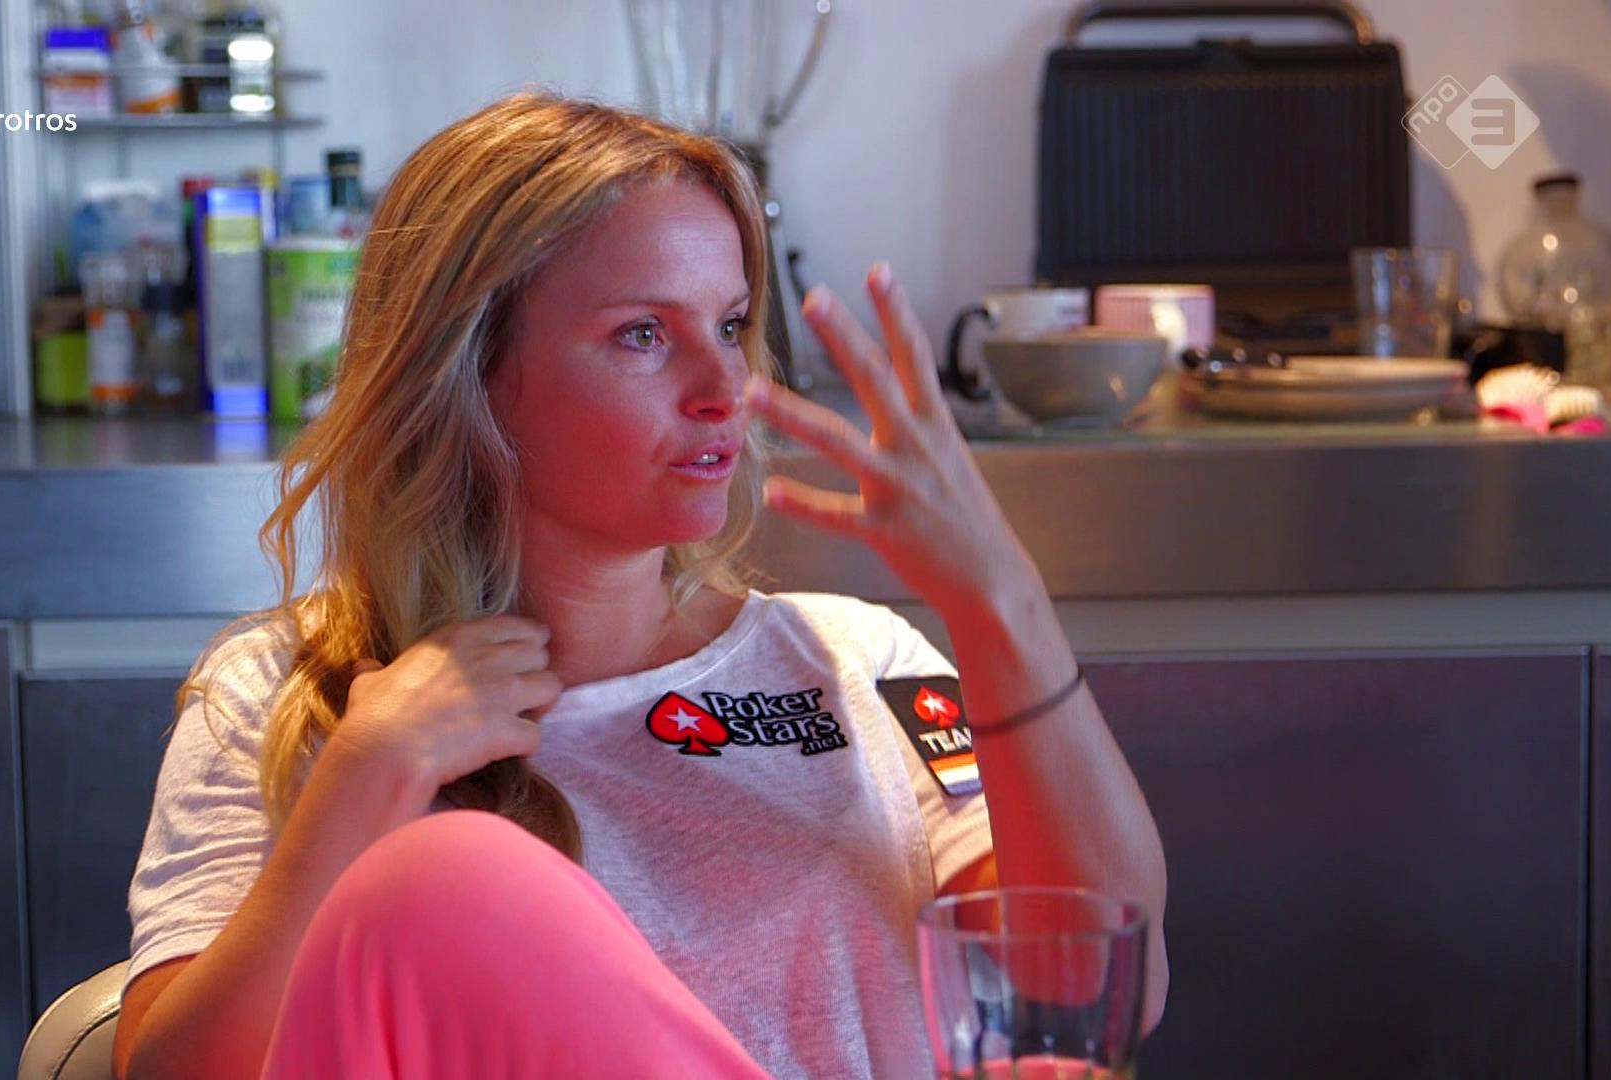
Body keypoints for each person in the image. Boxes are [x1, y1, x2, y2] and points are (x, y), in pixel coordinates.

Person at [112, 92, 1168, 1080]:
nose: (724, 388)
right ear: (468, 373)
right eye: (644, 335)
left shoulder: (858, 664)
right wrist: (367, 778)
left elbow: (1095, 986)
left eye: (730, 326)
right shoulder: (293, 701)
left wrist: (998, 601)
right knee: (442, 877)